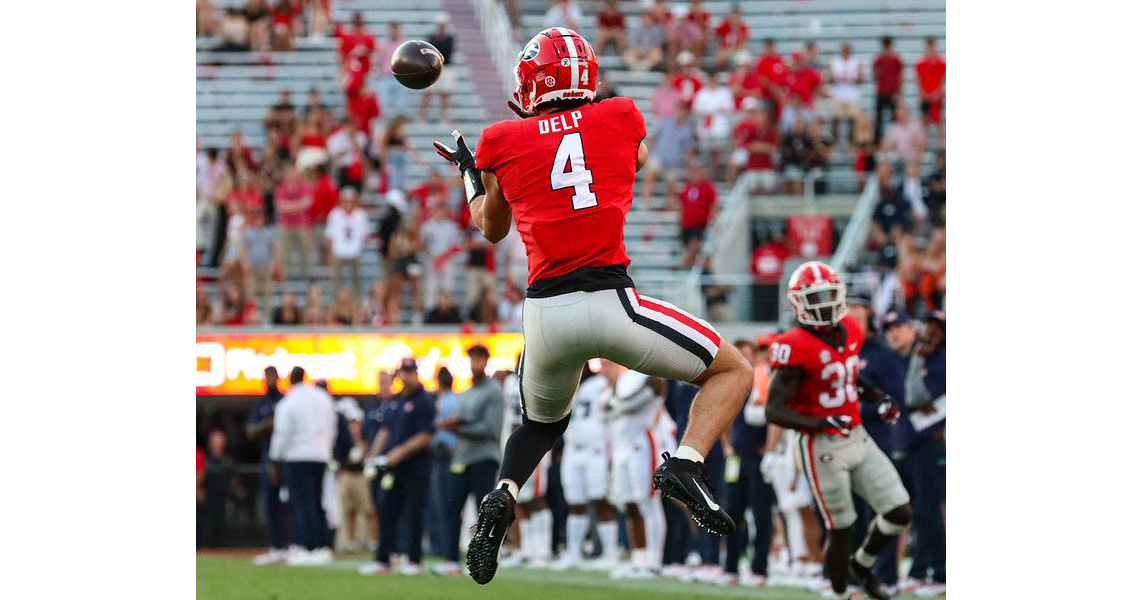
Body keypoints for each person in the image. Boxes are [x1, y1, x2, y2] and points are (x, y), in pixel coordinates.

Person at [433, 30, 753, 585]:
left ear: (531, 84)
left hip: (546, 316)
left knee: (539, 424)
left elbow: (490, 227)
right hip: (612, 304)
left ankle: (504, 492)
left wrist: (471, 174)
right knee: (733, 370)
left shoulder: (500, 139)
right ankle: (686, 462)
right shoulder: (621, 116)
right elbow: (631, 156)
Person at [764, 262, 911, 600]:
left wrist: (875, 395)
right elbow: (775, 409)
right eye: (815, 297)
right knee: (841, 526)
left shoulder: (849, 328)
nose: (824, 303)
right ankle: (839, 592)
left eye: (829, 294)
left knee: (899, 510)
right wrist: (820, 422)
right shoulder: (793, 344)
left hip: (857, 433)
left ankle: (861, 565)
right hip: (820, 445)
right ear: (798, 302)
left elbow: (843, 373)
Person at [359, 359, 436, 576]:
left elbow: (426, 435)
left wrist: (400, 452)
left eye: (410, 372)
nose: (406, 376)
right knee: (386, 509)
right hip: (394, 468)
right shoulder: (398, 401)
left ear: (416, 374)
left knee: (414, 514)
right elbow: (385, 430)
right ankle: (384, 559)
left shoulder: (424, 401)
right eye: (403, 372)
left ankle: (414, 560)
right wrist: (374, 455)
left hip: (416, 467)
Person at [434, 345, 505, 575]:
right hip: (462, 457)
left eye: (479, 359)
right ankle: (451, 560)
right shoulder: (465, 393)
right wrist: (457, 425)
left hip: (483, 457)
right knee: (452, 508)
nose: (475, 364)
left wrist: (459, 428)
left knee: (483, 510)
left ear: (486, 361)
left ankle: (485, 559)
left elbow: (492, 429)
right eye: (472, 359)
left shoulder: (493, 391)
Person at [601, 361, 674, 579]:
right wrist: (617, 405)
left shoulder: (652, 375)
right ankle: (638, 558)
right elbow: (604, 410)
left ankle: (653, 561)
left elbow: (625, 405)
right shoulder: (624, 379)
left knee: (648, 502)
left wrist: (617, 405)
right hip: (622, 445)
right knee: (629, 504)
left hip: (643, 443)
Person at [269, 367, 338, 565]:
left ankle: (306, 546)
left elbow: (282, 433)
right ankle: (323, 546)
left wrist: (274, 459)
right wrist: (326, 449)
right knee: (317, 502)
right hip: (320, 456)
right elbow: (332, 428)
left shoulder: (288, 402)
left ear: (290, 381)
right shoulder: (322, 398)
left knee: (301, 503)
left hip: (296, 457)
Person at [553, 364, 619, 570]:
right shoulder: (568, 389)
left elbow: (612, 404)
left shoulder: (599, 384)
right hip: (573, 449)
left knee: (600, 500)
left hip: (596, 448)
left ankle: (610, 552)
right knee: (575, 502)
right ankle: (574, 552)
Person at [718, 339, 773, 586]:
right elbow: (723, 418)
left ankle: (759, 569)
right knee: (731, 514)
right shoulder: (734, 385)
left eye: (748, 355)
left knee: (761, 515)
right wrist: (727, 445)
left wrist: (770, 449)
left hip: (758, 458)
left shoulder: (763, 383)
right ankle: (731, 568)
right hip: (738, 458)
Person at [902, 311, 946, 596]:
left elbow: (915, 397)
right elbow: (914, 399)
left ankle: (939, 573)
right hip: (921, 442)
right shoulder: (928, 357)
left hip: (935, 443)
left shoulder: (941, 360)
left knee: (934, 511)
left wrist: (918, 358)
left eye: (937, 327)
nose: (930, 331)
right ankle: (925, 569)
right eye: (928, 325)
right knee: (924, 510)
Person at [247, 367, 291, 564]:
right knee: (271, 504)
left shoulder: (286, 400)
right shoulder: (261, 404)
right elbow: (250, 431)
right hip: (268, 458)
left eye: (272, 376)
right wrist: (268, 424)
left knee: (290, 503)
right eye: (267, 377)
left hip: (288, 458)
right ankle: (275, 547)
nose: (269, 380)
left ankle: (293, 545)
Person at [640, 101, 695, 209]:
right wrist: (645, 154)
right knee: (650, 174)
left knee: (671, 186)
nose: (679, 113)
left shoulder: (686, 130)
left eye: (681, 111)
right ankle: (644, 203)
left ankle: (668, 207)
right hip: (659, 157)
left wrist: (690, 165)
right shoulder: (665, 123)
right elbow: (654, 139)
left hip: (673, 163)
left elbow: (688, 150)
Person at [324, 187, 368, 299]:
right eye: (346, 201)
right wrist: (330, 255)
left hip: (354, 252)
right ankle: (336, 304)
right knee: (336, 281)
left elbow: (364, 236)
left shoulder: (360, 215)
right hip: (338, 251)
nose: (348, 204)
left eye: (350, 201)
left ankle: (356, 305)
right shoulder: (335, 214)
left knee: (356, 281)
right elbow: (329, 236)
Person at [675, 159, 717, 270]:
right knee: (695, 253)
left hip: (699, 225)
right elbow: (682, 206)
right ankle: (703, 268)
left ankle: (680, 265)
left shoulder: (707, 187)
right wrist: (679, 221)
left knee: (693, 246)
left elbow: (713, 205)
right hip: (686, 225)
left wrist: (714, 222)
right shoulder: (686, 187)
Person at [274, 165, 314, 283]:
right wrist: (298, 205)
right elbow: (280, 206)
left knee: (305, 251)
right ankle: (282, 277)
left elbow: (308, 202)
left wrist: (290, 206)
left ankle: (307, 277)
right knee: (282, 252)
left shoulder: (304, 186)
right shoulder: (281, 188)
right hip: (285, 224)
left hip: (301, 224)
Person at [421, 15, 456, 123]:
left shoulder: (449, 38)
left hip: (445, 68)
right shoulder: (433, 38)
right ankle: (422, 117)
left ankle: (444, 117)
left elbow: (446, 53)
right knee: (428, 93)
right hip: (435, 69)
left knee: (444, 95)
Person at [829, 42, 863, 145]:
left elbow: (861, 79)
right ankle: (834, 142)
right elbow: (830, 79)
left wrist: (852, 79)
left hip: (852, 95)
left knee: (852, 120)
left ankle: (851, 143)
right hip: (838, 94)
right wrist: (837, 79)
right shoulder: (835, 62)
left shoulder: (856, 62)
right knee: (835, 119)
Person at [872, 37, 904, 143]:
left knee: (895, 119)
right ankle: (877, 141)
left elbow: (900, 77)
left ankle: (895, 140)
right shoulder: (878, 60)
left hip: (893, 93)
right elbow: (875, 76)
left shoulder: (896, 60)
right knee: (878, 119)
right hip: (881, 93)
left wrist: (899, 93)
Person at [373, 22, 407, 117]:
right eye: (393, 29)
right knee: (383, 104)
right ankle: (385, 125)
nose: (394, 31)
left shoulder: (404, 44)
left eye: (396, 29)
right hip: (386, 76)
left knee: (401, 104)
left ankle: (398, 126)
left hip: (401, 78)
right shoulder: (383, 43)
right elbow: (377, 60)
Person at [915, 38, 946, 137]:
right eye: (929, 47)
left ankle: (942, 146)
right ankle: (923, 144)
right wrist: (923, 94)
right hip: (925, 96)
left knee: (939, 121)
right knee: (924, 120)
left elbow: (943, 79)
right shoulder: (921, 63)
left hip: (937, 96)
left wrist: (938, 93)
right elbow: (918, 80)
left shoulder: (941, 62)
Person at [713, 4, 748, 70]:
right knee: (719, 58)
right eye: (733, 13)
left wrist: (736, 28)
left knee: (742, 58)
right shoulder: (725, 24)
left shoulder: (743, 26)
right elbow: (715, 34)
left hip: (737, 50)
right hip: (726, 50)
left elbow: (743, 43)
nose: (735, 16)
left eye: (737, 14)